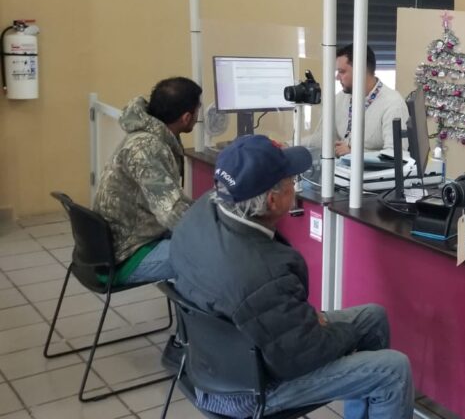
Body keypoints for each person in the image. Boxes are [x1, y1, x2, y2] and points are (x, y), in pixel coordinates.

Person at [170, 135, 413, 419]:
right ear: (272, 200)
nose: (295, 187)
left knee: (374, 316)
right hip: (247, 390)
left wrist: (306, 322)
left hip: (211, 360)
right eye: (291, 182)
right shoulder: (264, 274)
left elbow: (274, 318)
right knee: (394, 369)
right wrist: (336, 333)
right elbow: (303, 356)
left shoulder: (200, 213)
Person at [93, 76, 201, 284]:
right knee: (215, 254)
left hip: (131, 238)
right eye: (198, 110)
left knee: (209, 241)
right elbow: (172, 213)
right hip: (126, 255)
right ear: (186, 117)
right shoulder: (146, 149)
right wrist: (217, 231)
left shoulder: (150, 136)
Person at [330, 44, 409, 157]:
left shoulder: (393, 104)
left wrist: (354, 154)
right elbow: (322, 137)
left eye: (342, 72)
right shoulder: (340, 98)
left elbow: (395, 155)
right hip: (341, 166)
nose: (337, 77)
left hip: (370, 168)